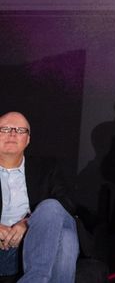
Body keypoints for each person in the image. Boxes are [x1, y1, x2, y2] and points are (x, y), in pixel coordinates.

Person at [0, 111, 79, 282]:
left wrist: (29, 223)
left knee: (51, 207)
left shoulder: (46, 167)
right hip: (3, 252)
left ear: (28, 140)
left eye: (20, 130)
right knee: (67, 239)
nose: (12, 134)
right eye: (5, 129)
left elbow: (68, 204)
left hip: (37, 243)